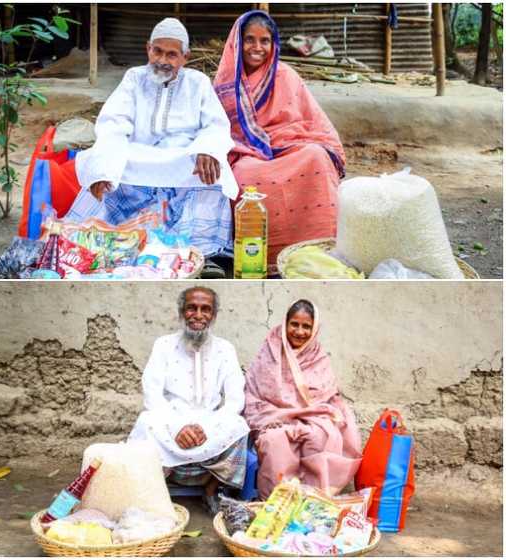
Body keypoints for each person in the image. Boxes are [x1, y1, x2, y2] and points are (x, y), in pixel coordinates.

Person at [69, 18, 239, 276]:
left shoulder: (198, 82)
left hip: (183, 159)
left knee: (214, 171)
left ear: (185, 57)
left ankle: (201, 253)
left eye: (172, 54)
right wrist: (104, 167)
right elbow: (114, 123)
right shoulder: (134, 78)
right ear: (148, 48)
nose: (163, 60)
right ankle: (112, 245)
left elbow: (215, 125)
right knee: (102, 165)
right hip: (139, 158)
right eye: (157, 51)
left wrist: (207, 148)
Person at [213, 11, 346, 270]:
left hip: (290, 146)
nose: (257, 47)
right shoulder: (224, 83)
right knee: (244, 174)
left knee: (316, 156)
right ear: (238, 43)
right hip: (247, 152)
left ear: (274, 45)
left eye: (265, 41)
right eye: (250, 40)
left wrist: (284, 142)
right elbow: (220, 130)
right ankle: (262, 257)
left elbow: (312, 119)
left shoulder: (286, 75)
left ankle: (319, 249)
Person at [127, 287, 249, 513]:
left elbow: (235, 399)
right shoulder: (163, 345)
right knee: (146, 422)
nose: (198, 315)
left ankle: (212, 490)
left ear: (214, 315)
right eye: (192, 308)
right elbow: (151, 393)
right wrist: (177, 427)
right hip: (170, 421)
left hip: (210, 425)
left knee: (239, 426)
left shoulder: (225, 349)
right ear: (182, 312)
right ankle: (157, 490)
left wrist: (205, 427)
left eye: (206, 309)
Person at [244, 299, 361, 498]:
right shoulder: (269, 352)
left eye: (306, 326)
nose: (299, 332)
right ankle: (276, 503)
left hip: (312, 419)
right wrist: (286, 416)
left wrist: (308, 416)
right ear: (285, 324)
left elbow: (327, 397)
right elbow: (254, 396)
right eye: (294, 324)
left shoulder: (318, 356)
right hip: (274, 419)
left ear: (314, 329)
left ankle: (312, 500)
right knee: (275, 442)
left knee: (321, 436)